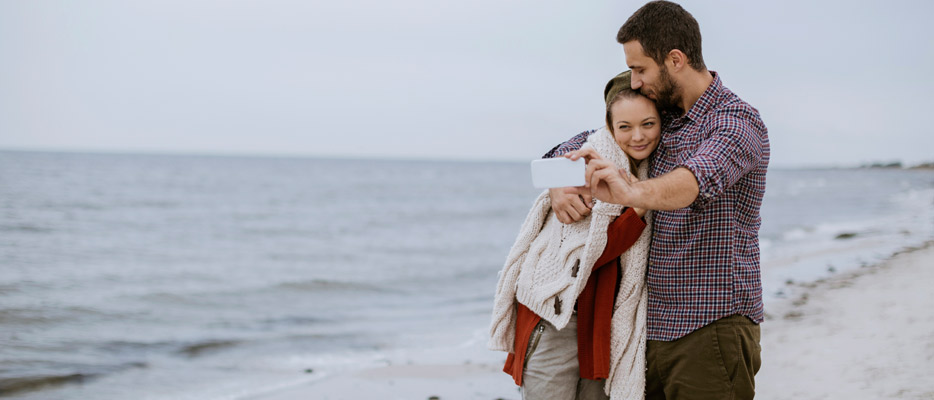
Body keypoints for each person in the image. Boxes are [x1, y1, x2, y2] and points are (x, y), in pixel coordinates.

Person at [549, 2, 770, 399]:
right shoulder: (659, 118)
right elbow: (573, 147)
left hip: (712, 328)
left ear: (675, 60)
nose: (634, 82)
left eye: (640, 69)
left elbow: (696, 179)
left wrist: (630, 191)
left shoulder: (736, 122)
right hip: (648, 333)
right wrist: (558, 184)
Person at [489, 70, 660, 400]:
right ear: (610, 127)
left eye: (648, 124)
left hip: (598, 322)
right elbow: (592, 252)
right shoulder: (588, 166)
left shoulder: (649, 168)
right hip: (556, 316)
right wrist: (638, 209)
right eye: (625, 127)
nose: (637, 136)